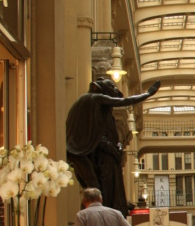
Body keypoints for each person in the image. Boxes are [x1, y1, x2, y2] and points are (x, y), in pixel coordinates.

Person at [65, 78, 160, 215]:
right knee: (94, 189)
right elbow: (123, 101)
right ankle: (91, 219)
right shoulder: (94, 98)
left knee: (93, 189)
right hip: (78, 151)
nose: (114, 91)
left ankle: (91, 218)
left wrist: (117, 146)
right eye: (112, 87)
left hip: (80, 151)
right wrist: (148, 94)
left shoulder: (96, 108)